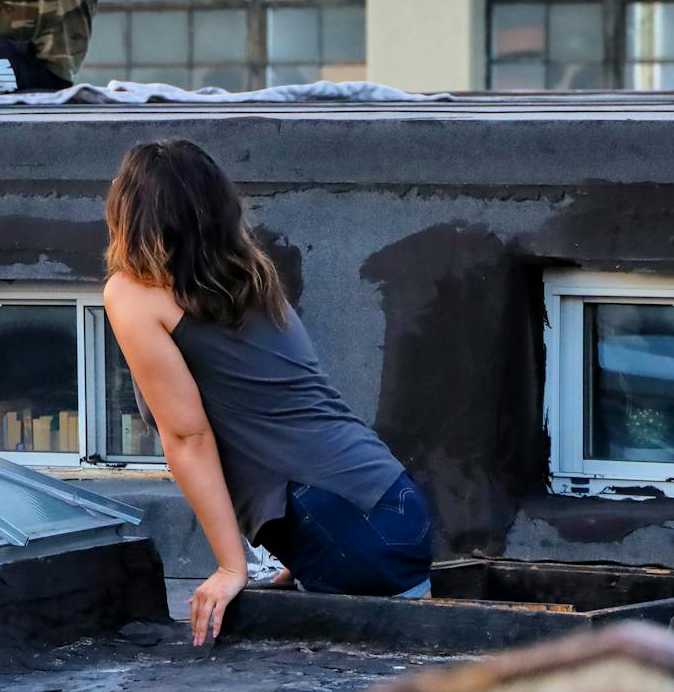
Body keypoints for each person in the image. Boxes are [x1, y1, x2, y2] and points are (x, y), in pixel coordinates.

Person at [101, 139, 434, 649]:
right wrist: (302, 557)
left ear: (129, 211)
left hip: (343, 523)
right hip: (395, 506)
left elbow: (188, 437)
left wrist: (232, 565)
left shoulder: (131, 293)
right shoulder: (247, 271)